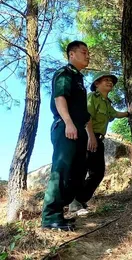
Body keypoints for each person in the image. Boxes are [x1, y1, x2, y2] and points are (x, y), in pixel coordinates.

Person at [69, 71, 132, 215]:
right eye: (105, 80)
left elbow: (115, 114)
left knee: (98, 173)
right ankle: (74, 204)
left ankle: (80, 200)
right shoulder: (92, 97)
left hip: (98, 139)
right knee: (82, 171)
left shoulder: (107, 103)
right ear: (96, 84)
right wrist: (91, 136)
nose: (110, 82)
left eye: (111, 81)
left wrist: (128, 113)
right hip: (87, 138)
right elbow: (87, 117)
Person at [41, 41, 91, 231]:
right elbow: (59, 98)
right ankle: (50, 217)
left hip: (78, 128)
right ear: (71, 54)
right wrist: (68, 122)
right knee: (61, 170)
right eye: (84, 52)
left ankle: (59, 215)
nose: (88, 56)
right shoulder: (65, 73)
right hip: (65, 126)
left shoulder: (79, 79)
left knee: (77, 172)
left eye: (88, 52)